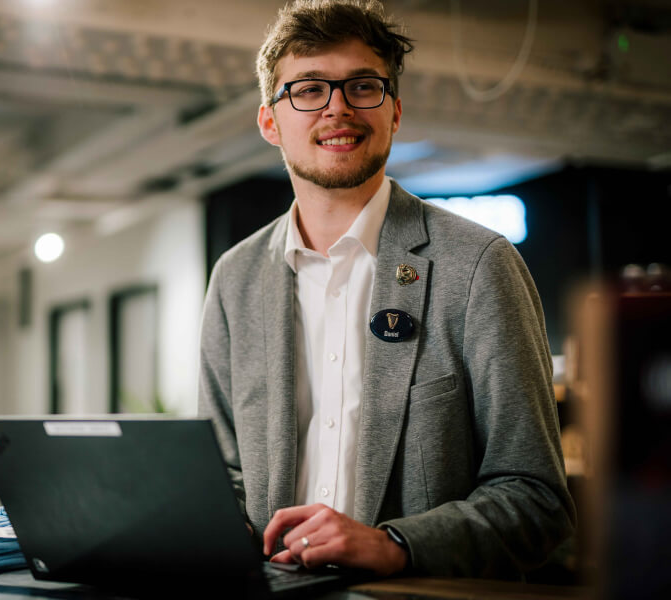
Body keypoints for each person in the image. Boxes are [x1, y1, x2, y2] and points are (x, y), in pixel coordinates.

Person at [197, 0, 575, 579]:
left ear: (394, 112)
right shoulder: (236, 277)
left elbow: (535, 498)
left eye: (363, 87)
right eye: (308, 90)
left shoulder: (478, 266)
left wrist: (394, 543)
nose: (339, 108)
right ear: (270, 121)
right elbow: (222, 476)